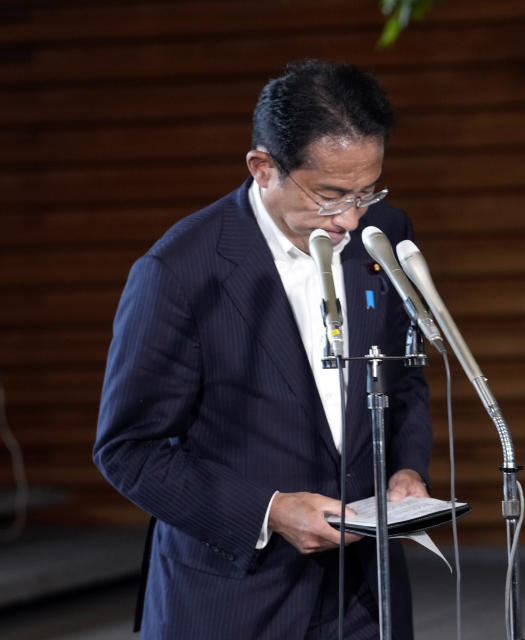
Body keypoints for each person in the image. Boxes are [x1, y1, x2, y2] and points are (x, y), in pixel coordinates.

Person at [93, 59, 433, 639]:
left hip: (363, 595)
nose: (351, 218)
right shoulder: (179, 270)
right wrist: (270, 511)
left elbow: (402, 380)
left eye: (367, 190)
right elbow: (128, 450)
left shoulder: (384, 235)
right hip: (231, 597)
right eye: (330, 195)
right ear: (263, 168)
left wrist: (405, 468)